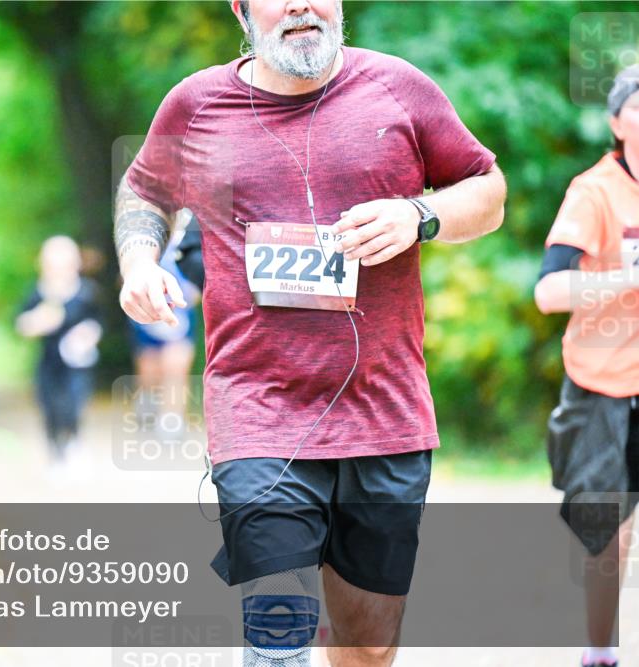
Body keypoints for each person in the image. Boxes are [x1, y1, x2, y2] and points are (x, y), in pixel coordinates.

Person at [114, 1, 507, 665]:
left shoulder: (397, 89)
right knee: (278, 632)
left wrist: (420, 215)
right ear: (240, 9)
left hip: (385, 413)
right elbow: (146, 191)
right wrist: (137, 261)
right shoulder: (197, 104)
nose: (301, 3)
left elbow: (487, 189)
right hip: (257, 410)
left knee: (369, 645)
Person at [534, 65, 639, 667]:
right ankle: (600, 651)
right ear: (615, 124)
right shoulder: (594, 192)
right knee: (608, 535)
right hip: (600, 389)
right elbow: (549, 293)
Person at [16, 236, 103, 470]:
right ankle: (55, 454)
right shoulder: (36, 292)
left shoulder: (86, 291)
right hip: (48, 362)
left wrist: (87, 335)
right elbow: (21, 323)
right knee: (49, 406)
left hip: (78, 363)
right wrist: (37, 321)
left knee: (74, 403)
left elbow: (97, 321)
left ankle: (74, 443)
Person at [130, 216, 200, 441]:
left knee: (176, 368)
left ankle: (172, 419)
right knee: (150, 370)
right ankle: (148, 401)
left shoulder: (192, 242)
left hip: (180, 318)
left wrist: (189, 295)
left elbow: (203, 281)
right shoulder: (144, 244)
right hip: (149, 320)